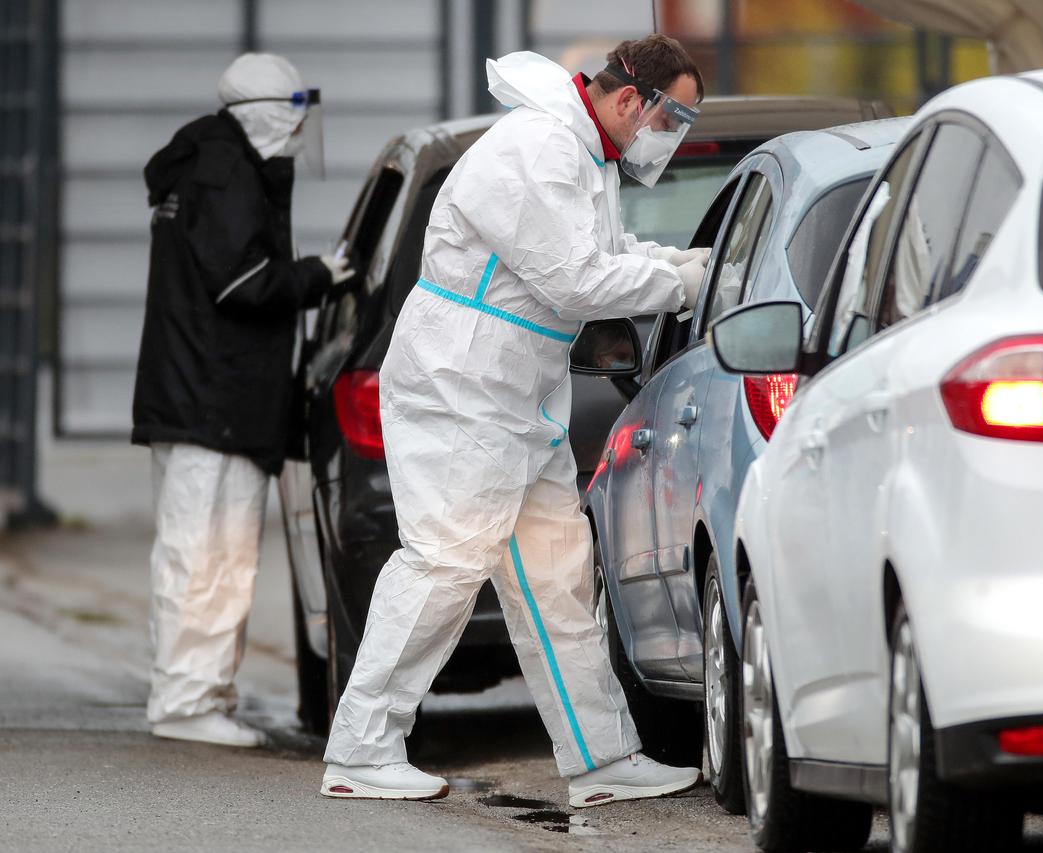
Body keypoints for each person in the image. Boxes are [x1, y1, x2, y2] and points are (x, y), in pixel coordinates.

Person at [320, 36, 711, 806]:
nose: (673, 136)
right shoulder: (539, 146)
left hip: (512, 392)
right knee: (443, 562)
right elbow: (571, 280)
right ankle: (361, 747)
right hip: (461, 383)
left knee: (555, 574)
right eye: (676, 118)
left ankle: (600, 757)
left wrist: (671, 263)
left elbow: (598, 251)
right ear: (632, 100)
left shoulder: (584, 149)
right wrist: (674, 286)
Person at [132, 53, 354, 748]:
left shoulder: (213, 163)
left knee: (212, 552)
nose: (296, 134)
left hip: (207, 396)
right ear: (264, 112)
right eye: (291, 117)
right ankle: (184, 699)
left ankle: (202, 690)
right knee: (204, 551)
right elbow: (241, 283)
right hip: (212, 399)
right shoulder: (225, 172)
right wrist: (318, 274)